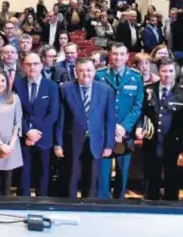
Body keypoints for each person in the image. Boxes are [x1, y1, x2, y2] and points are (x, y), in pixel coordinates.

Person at [56, 58, 116, 198]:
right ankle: (70, 206)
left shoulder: (105, 90)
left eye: (89, 70)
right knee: (71, 175)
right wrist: (58, 144)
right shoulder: (65, 89)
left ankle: (89, 207)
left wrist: (109, 145)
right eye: (81, 70)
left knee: (92, 178)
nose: (85, 74)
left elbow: (110, 120)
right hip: (72, 140)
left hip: (97, 141)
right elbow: (60, 119)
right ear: (75, 72)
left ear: (95, 71)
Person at [95, 43, 144, 199]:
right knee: (103, 172)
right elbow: (96, 105)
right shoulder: (99, 75)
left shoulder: (136, 77)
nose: (118, 57)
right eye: (115, 54)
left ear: (127, 56)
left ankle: (120, 202)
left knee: (123, 173)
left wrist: (124, 127)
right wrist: (110, 127)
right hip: (104, 131)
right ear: (110, 55)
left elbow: (137, 106)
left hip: (125, 133)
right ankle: (103, 203)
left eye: (121, 54)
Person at [137, 58, 183, 201]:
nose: (167, 74)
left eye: (170, 71)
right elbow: (140, 113)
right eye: (163, 71)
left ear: (175, 73)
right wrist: (139, 128)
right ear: (159, 71)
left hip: (173, 145)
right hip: (152, 143)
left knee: (172, 183)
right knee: (151, 182)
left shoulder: (181, 93)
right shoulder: (147, 90)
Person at [14, 53, 59, 197]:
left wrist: (36, 133)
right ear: (23, 66)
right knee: (23, 173)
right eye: (28, 64)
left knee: (44, 172)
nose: (32, 67)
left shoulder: (51, 86)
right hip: (23, 136)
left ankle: (42, 203)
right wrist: (27, 131)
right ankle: (22, 203)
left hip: (43, 137)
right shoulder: (16, 84)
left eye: (35, 64)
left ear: (41, 65)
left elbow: (53, 114)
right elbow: (15, 112)